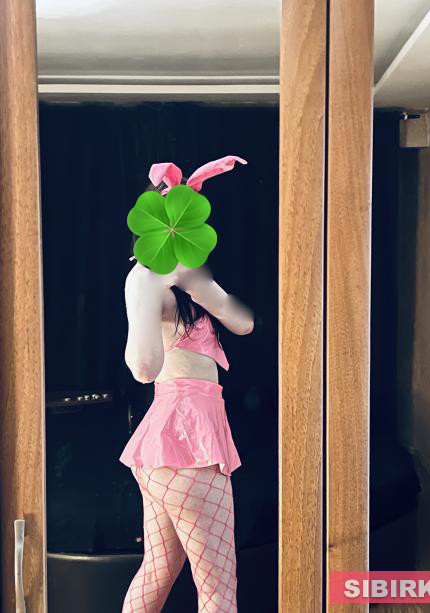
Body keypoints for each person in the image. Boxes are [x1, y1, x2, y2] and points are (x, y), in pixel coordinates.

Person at [119, 159, 253, 613]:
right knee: (218, 591)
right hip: (187, 444)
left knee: (159, 569)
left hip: (170, 448)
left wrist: (196, 285)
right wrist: (150, 282)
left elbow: (244, 323)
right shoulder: (145, 279)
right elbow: (143, 368)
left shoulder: (186, 282)